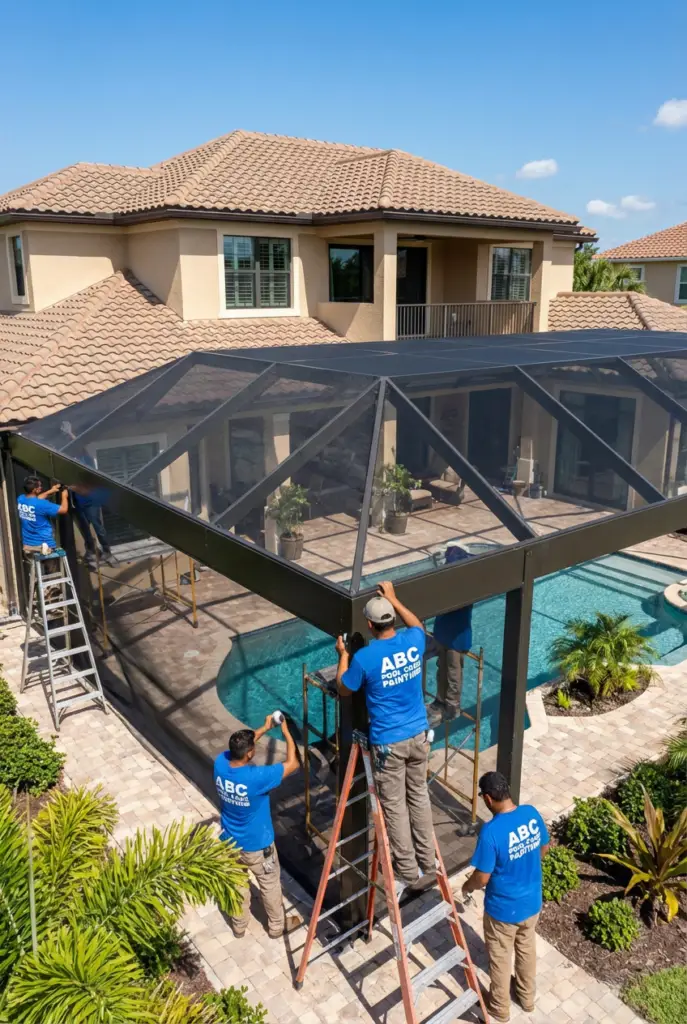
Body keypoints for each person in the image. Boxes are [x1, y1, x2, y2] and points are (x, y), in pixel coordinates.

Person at [336, 580, 435, 893]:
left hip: (389, 743)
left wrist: (343, 655)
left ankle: (410, 873)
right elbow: (418, 624)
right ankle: (429, 863)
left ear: (368, 625)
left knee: (395, 807)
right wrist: (395, 598)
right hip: (419, 735)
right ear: (391, 619)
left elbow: (343, 688)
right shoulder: (413, 641)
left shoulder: (365, 658)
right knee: (418, 796)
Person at [461, 771, 550, 1023]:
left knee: (500, 958)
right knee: (526, 948)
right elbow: (544, 846)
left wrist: (467, 888)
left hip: (503, 911)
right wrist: (526, 867)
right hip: (532, 902)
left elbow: (482, 878)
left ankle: (499, 1008)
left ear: (488, 798)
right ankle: (526, 997)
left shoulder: (491, 832)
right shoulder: (531, 813)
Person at [214, 714, 301, 939]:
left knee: (237, 883)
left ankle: (239, 925)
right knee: (269, 884)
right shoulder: (256, 777)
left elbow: (245, 744)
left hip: (229, 842)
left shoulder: (220, 764)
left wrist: (263, 727)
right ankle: (275, 927)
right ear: (250, 754)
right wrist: (286, 734)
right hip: (257, 845)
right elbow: (293, 764)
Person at [425, 544, 473, 727]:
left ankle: (452, 706)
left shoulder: (468, 587)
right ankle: (440, 699)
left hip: (455, 637)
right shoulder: (449, 582)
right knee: (442, 668)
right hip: (444, 634)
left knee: (453, 672)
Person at [17, 476, 69, 556]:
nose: (41, 488)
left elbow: (36, 499)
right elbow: (63, 509)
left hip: (28, 544)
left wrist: (50, 491)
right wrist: (64, 496)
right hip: (44, 545)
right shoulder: (42, 504)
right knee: (51, 568)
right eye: (40, 486)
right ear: (35, 489)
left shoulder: (21, 499)